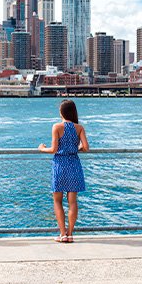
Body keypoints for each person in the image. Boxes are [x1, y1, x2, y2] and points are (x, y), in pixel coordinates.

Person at [39, 99, 89, 243]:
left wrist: (42, 148)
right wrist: (75, 148)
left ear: (61, 112)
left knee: (57, 201)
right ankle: (70, 233)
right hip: (74, 164)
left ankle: (62, 234)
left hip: (60, 165)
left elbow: (54, 149)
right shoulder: (79, 128)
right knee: (72, 202)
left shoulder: (56, 127)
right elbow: (86, 147)